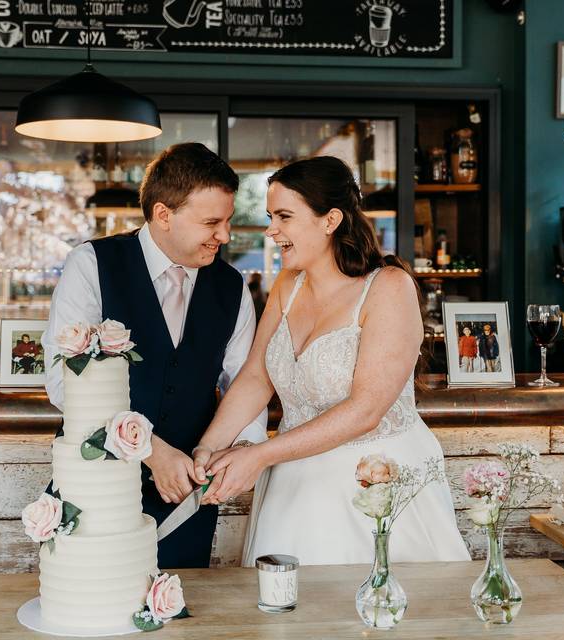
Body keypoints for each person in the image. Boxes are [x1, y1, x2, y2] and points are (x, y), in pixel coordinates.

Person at [190, 156, 470, 565]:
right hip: (294, 483)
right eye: (270, 216)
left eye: (284, 216)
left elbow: (366, 410)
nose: (272, 230)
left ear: (330, 219)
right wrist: (208, 447)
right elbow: (255, 378)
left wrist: (260, 454)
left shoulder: (389, 287)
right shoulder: (288, 284)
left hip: (373, 481)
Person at [42, 142, 267, 569]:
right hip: (96, 484)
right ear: (164, 215)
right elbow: (62, 382)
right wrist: (150, 451)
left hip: (187, 496)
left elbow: (244, 385)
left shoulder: (232, 287)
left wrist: (241, 450)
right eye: (211, 222)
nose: (225, 235)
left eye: (228, 220)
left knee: (179, 623)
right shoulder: (92, 265)